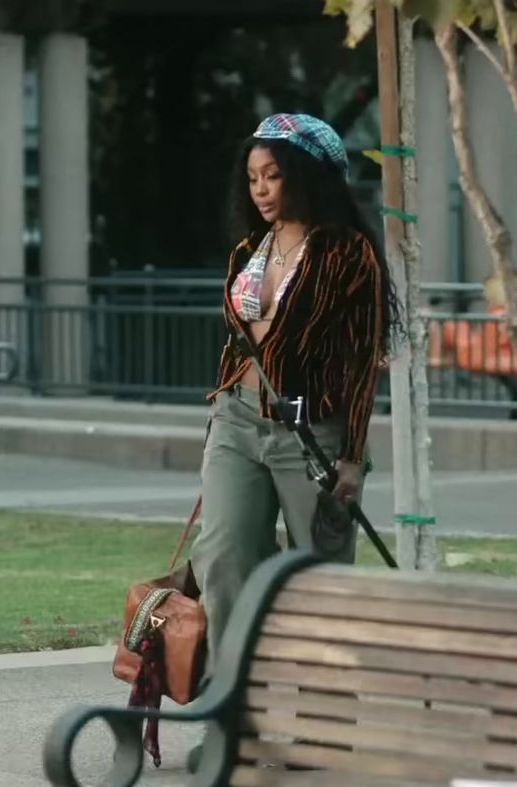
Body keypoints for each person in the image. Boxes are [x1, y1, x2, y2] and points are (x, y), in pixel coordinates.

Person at [192, 113, 397, 666]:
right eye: (253, 177)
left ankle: (320, 719)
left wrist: (352, 457)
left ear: (308, 175)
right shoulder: (247, 251)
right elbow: (238, 344)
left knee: (318, 573)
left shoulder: (349, 253)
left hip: (312, 433)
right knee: (224, 556)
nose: (259, 189)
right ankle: (233, 711)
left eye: (273, 176)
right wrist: (221, 409)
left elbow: (362, 362)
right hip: (236, 421)